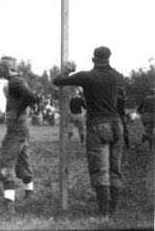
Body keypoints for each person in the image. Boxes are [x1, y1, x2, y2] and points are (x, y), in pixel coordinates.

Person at [53, 46, 124, 218]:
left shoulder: (87, 76)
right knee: (115, 170)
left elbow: (58, 80)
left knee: (100, 171)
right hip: (117, 125)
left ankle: (103, 215)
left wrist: (67, 70)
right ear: (109, 58)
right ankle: (113, 212)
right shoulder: (117, 76)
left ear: (93, 59)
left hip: (97, 125)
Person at [0, 56, 39, 215]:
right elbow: (32, 97)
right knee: (23, 162)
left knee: (6, 163)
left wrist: (19, 113)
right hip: (22, 129)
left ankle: (8, 206)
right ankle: (29, 194)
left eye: (1, 66)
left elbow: (30, 96)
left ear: (9, 68)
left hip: (16, 129)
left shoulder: (14, 81)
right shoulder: (19, 80)